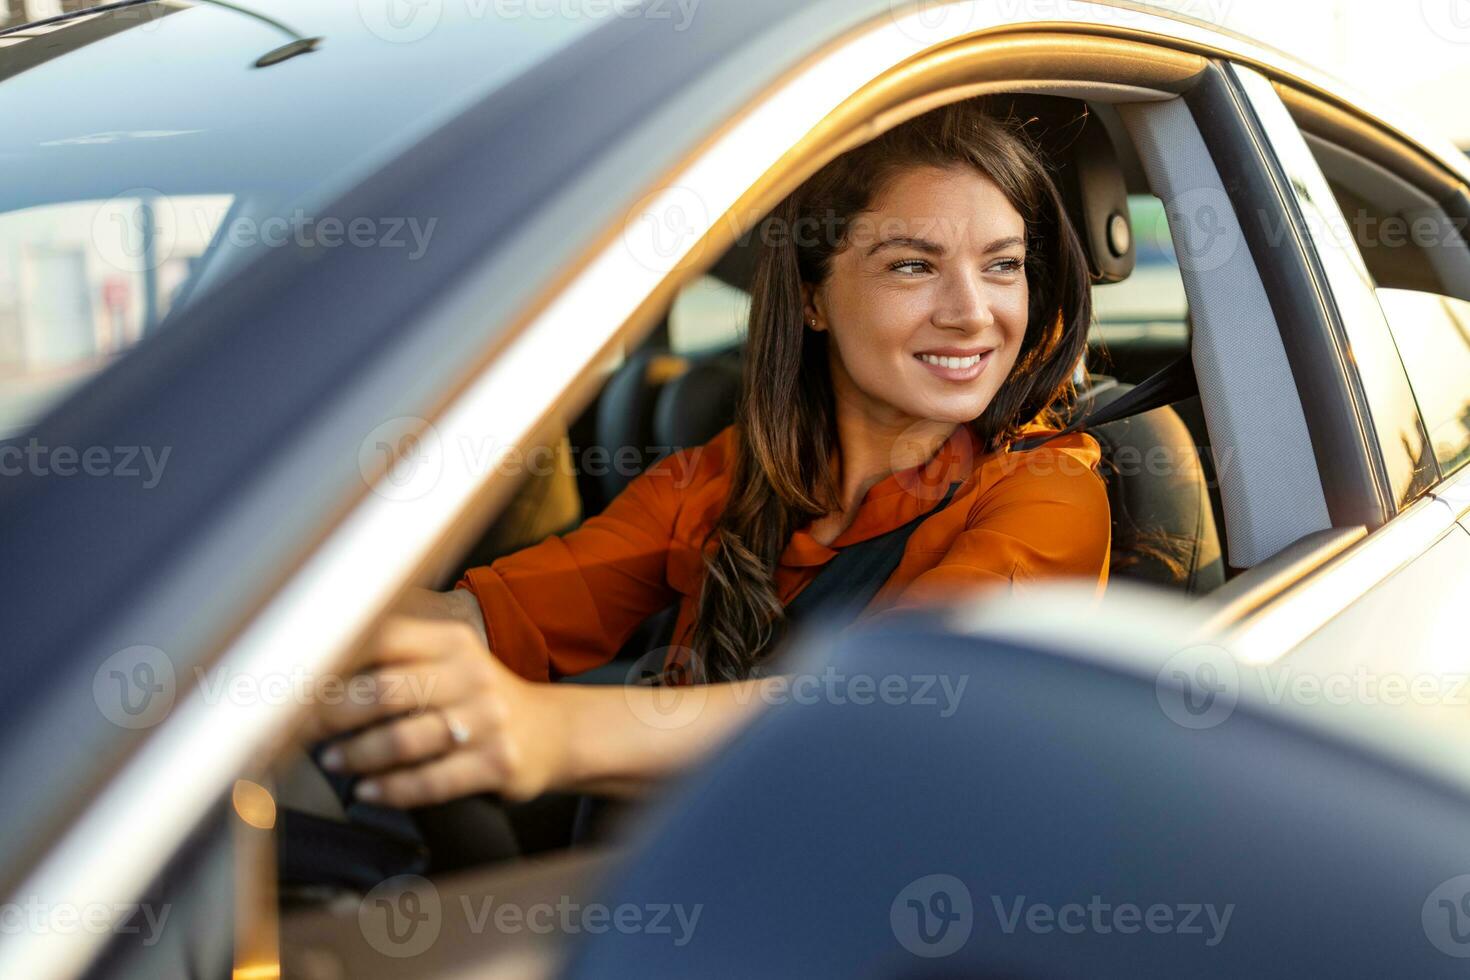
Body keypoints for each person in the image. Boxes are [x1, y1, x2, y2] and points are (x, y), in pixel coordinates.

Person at [304, 97, 1111, 811]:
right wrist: (278, 651)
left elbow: (884, 709)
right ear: (810, 295)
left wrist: (546, 733)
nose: (973, 314)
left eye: (1003, 266)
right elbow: (490, 615)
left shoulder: (1048, 493)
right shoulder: (725, 477)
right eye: (913, 265)